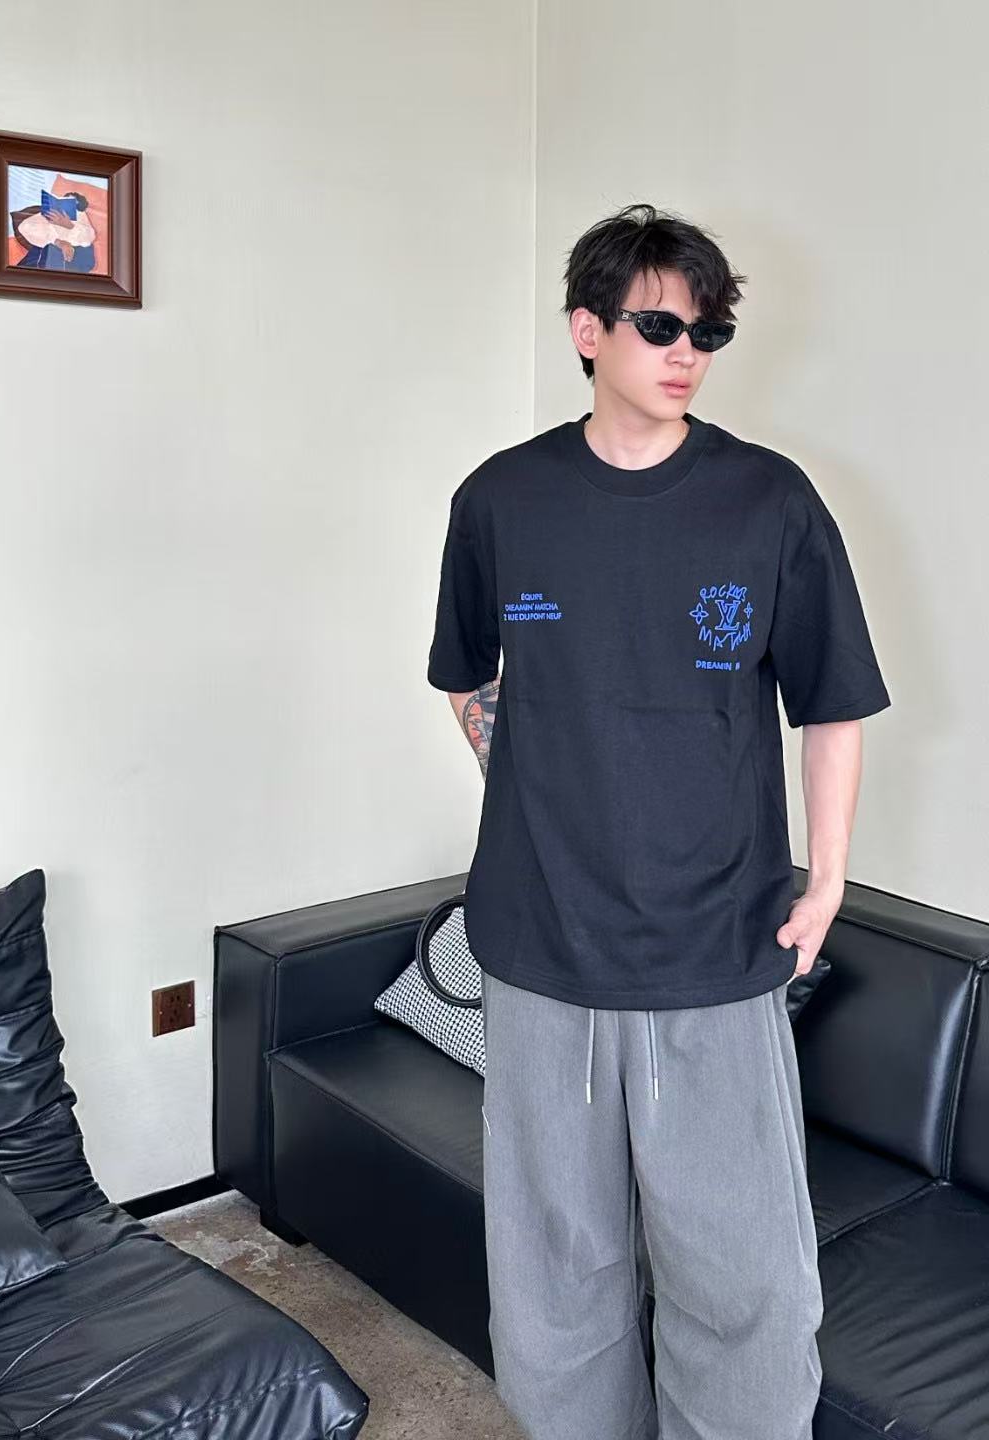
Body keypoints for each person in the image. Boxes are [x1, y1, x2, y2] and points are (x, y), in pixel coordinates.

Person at [426, 202, 891, 1440]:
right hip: (540, 950)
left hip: (719, 949)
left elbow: (833, 705)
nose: (688, 353)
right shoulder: (502, 500)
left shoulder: (768, 501)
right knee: (554, 1274)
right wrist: (542, 792)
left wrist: (828, 879)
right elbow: (468, 681)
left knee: (745, 1279)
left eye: (709, 332)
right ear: (588, 330)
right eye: (660, 326)